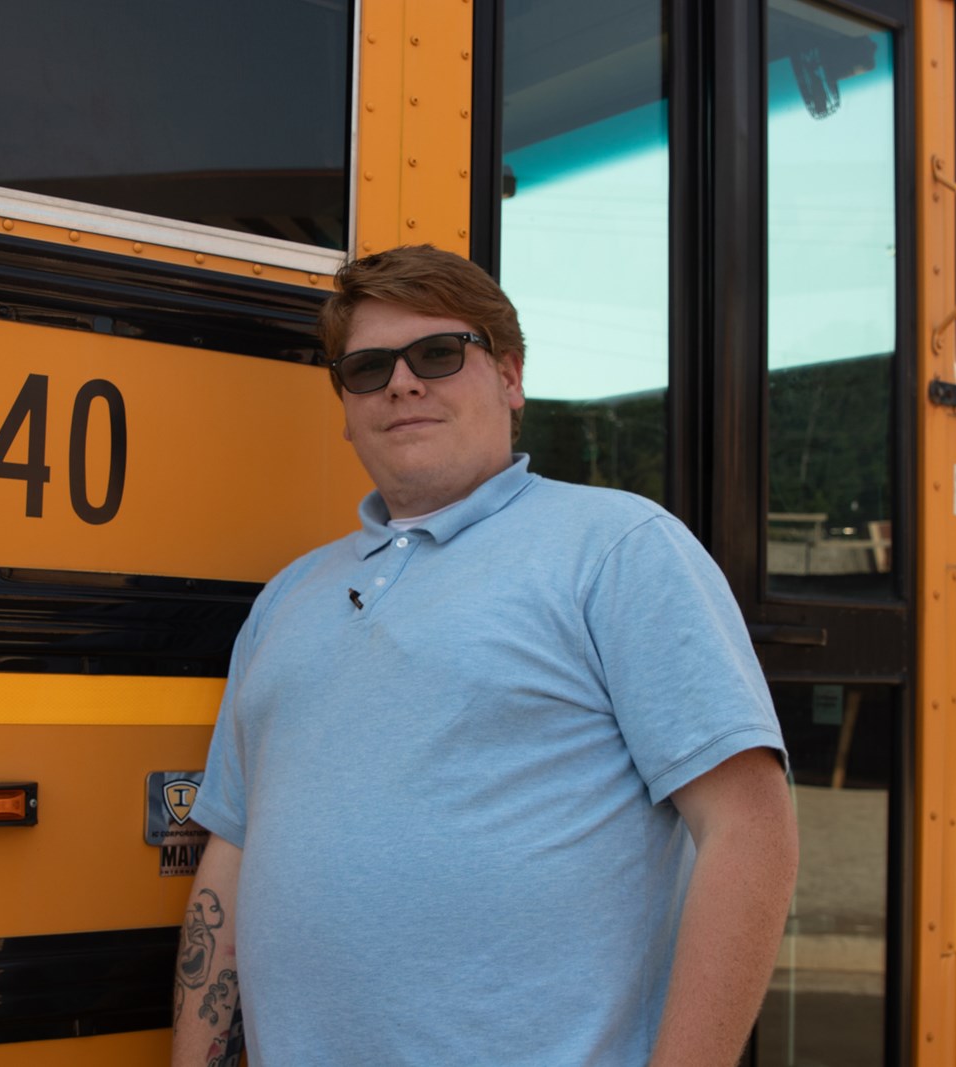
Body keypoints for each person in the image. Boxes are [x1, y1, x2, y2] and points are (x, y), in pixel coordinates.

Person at [173, 245, 796, 1067]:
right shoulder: (287, 598)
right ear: (346, 406)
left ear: (510, 376)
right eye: (366, 368)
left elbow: (749, 830)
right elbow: (233, 857)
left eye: (437, 353)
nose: (401, 383)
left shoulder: (618, 548)